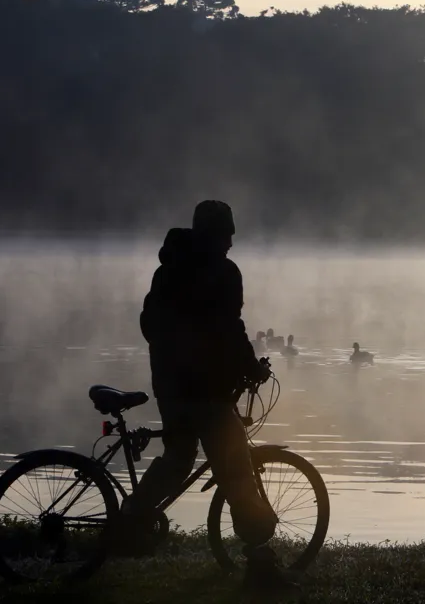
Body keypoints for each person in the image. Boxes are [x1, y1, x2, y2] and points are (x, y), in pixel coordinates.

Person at [119, 200, 294, 591]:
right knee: (236, 470)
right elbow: (230, 329)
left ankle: (130, 519)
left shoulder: (168, 269)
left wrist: (174, 356)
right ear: (215, 234)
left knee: (177, 459)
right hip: (208, 392)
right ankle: (262, 564)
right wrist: (250, 368)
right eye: (227, 234)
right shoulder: (223, 273)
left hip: (170, 386)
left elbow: (150, 324)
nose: (231, 242)